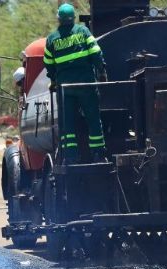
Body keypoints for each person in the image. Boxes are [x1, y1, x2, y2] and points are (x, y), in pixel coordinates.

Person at [44, 3, 108, 163]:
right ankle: (98, 153)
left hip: (65, 89)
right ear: (73, 17)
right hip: (86, 85)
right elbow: (96, 53)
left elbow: (48, 63)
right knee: (93, 118)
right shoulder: (83, 31)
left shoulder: (52, 39)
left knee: (68, 124)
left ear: (59, 18)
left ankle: (71, 156)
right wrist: (102, 72)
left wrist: (53, 80)